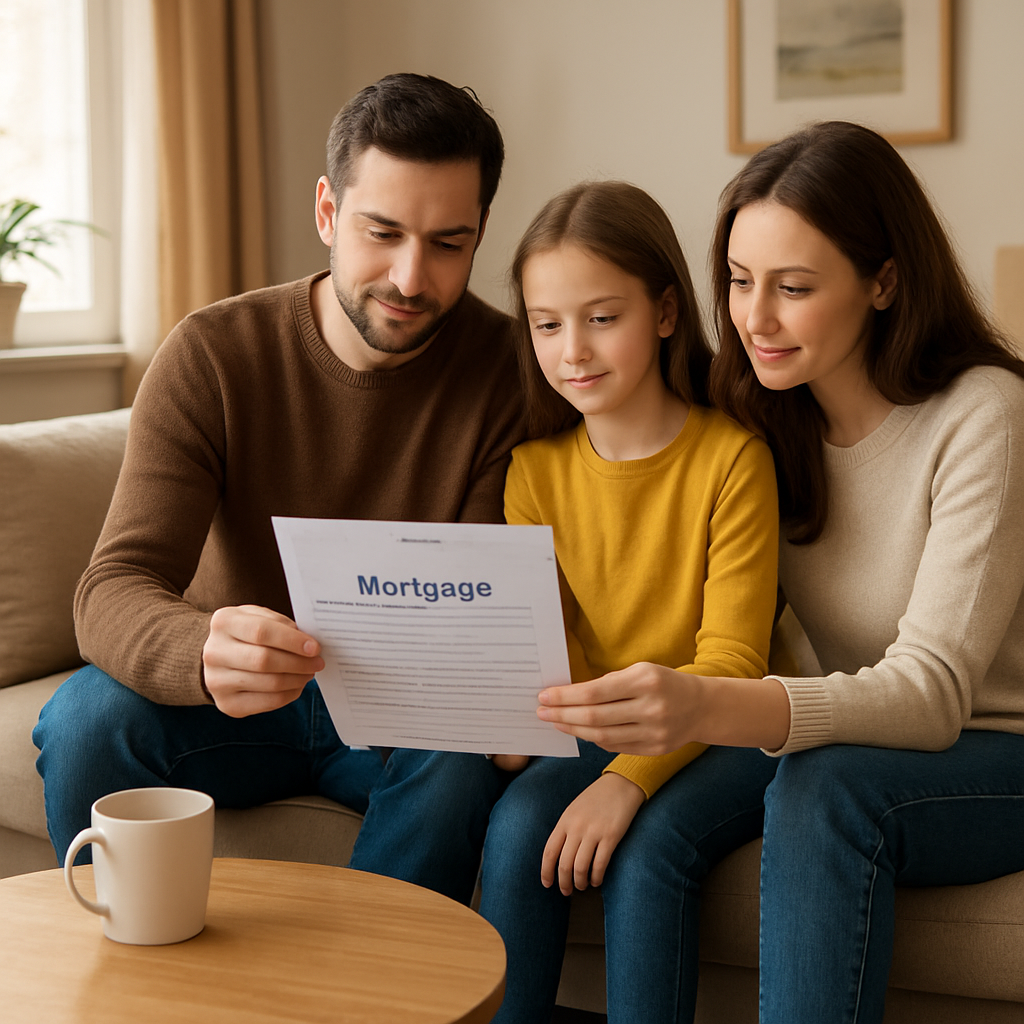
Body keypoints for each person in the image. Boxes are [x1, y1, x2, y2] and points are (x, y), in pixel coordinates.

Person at [535, 121, 1024, 1023]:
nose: (753, 319)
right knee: (655, 832)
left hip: (999, 744)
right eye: (739, 280)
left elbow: (932, 694)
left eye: (793, 288)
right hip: (838, 726)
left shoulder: (984, 416)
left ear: (884, 281)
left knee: (828, 786)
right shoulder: (757, 412)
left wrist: (707, 702)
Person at [32, 73, 523, 866]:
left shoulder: (510, 373)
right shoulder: (213, 354)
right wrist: (201, 649)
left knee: (459, 762)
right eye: (382, 232)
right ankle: (132, 981)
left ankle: (380, 992)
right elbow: (111, 589)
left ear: (481, 232)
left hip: (404, 713)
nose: (409, 277)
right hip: (231, 705)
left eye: (447, 243)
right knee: (84, 721)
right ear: (328, 211)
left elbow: (475, 623)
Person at [353, 181, 780, 1024]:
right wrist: (529, 731)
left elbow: (733, 661)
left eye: (601, 318)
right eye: (547, 325)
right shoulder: (534, 469)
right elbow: (549, 651)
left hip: (723, 725)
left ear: (664, 313)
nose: (572, 350)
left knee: (643, 848)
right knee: (517, 836)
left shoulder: (734, 460)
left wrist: (626, 783)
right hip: (596, 725)